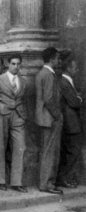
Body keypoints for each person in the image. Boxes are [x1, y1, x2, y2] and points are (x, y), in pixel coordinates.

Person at [0, 54, 27, 192]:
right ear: (8, 65)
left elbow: (22, 99)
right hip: (2, 115)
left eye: (18, 64)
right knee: (0, 148)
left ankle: (16, 182)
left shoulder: (23, 81)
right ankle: (1, 180)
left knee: (20, 147)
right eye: (13, 64)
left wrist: (23, 115)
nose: (16, 67)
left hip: (18, 117)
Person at [34, 47, 64, 194]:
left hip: (44, 118)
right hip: (50, 119)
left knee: (46, 151)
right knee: (50, 152)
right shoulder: (48, 75)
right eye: (57, 58)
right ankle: (47, 184)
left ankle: (45, 183)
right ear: (52, 58)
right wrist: (57, 115)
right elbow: (49, 99)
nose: (59, 61)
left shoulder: (42, 73)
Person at [56, 52, 83, 188]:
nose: (77, 70)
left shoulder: (66, 81)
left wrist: (77, 97)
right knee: (73, 151)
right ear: (68, 68)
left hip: (71, 123)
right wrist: (79, 98)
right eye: (75, 67)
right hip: (70, 124)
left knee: (71, 151)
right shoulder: (64, 82)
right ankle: (63, 178)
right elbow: (74, 102)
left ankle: (64, 177)